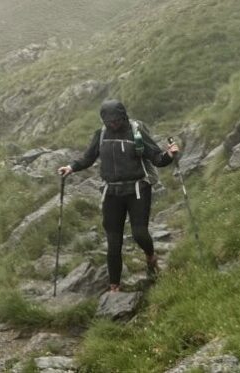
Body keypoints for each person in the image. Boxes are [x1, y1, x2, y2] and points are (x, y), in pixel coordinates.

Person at [57, 99, 179, 293]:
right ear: (104, 120)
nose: (113, 124)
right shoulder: (101, 135)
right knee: (114, 243)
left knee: (139, 233)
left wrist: (169, 156)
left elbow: (156, 157)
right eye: (109, 121)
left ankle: (150, 257)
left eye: (116, 120)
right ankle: (114, 288)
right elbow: (88, 158)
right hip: (112, 192)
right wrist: (71, 167)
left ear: (123, 116)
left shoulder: (136, 132)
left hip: (138, 189)